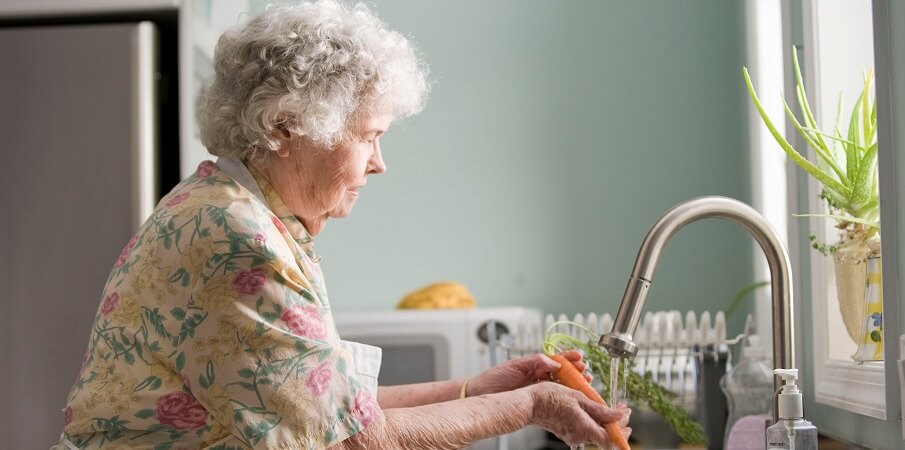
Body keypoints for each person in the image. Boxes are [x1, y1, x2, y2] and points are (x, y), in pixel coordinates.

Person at [56, 1, 631, 449]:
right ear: (285, 128)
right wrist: (530, 408)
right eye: (368, 136)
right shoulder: (234, 238)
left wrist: (475, 390)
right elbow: (353, 440)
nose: (380, 163)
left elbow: (327, 408)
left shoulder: (232, 209)